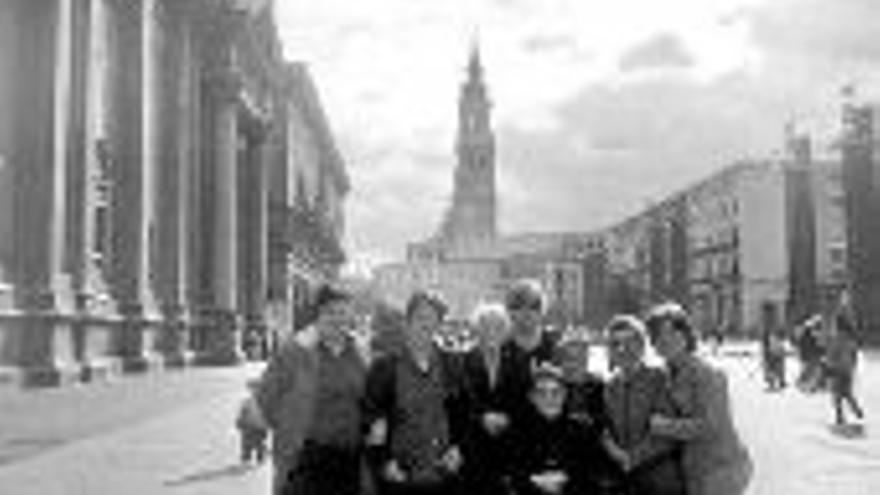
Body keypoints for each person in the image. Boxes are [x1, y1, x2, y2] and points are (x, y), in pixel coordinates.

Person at [254, 284, 368, 495]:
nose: (337, 319)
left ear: (350, 316)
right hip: (306, 456)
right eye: (330, 312)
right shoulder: (294, 351)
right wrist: (262, 434)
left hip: (349, 456)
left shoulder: (360, 353)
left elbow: (371, 399)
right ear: (318, 314)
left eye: (343, 312)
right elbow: (265, 397)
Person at [365, 291, 466, 495]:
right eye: (420, 317)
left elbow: (463, 412)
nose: (426, 324)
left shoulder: (452, 364)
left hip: (443, 473)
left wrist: (458, 448)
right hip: (401, 475)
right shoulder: (384, 367)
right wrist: (383, 462)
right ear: (407, 321)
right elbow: (372, 417)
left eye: (433, 318)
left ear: (439, 324)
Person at [645, 303, 752, 495]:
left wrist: (664, 426)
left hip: (720, 470)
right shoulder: (666, 374)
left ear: (686, 334)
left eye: (671, 333)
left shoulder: (707, 374)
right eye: (657, 336)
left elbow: (710, 426)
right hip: (693, 471)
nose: (664, 341)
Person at [603, 315, 685, 495]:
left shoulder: (659, 379)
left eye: (630, 341)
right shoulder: (609, 387)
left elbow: (667, 433)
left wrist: (633, 458)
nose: (622, 349)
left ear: (642, 346)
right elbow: (605, 428)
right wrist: (613, 449)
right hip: (625, 477)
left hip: (660, 478)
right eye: (614, 344)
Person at [509, 361, 603, 495]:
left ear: (565, 394)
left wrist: (567, 480)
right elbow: (512, 473)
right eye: (542, 393)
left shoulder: (582, 429)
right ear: (532, 397)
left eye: (555, 392)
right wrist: (534, 480)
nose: (549, 399)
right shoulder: (517, 432)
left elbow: (592, 472)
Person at [457, 303, 515, 495]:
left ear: (505, 331)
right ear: (477, 330)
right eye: (486, 326)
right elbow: (459, 403)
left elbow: (522, 400)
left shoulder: (517, 361)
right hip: (472, 448)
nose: (492, 332)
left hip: (506, 447)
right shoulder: (462, 360)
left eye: (498, 327)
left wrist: (508, 418)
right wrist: (482, 418)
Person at [556, 329, 619, 492]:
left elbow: (606, 427)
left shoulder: (599, 385)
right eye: (568, 358)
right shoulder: (552, 386)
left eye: (579, 358)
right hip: (560, 467)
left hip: (592, 468)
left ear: (586, 359)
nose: (573, 363)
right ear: (560, 359)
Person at [826, 311, 865, 427]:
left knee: (836, 395)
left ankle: (840, 417)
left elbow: (832, 355)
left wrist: (828, 365)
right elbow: (854, 355)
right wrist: (853, 367)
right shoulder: (850, 340)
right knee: (847, 393)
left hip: (837, 370)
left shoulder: (836, 340)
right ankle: (857, 410)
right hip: (847, 370)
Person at [236, 378, 269, 464]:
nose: (254, 391)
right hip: (248, 425)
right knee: (246, 442)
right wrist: (240, 420)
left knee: (259, 442)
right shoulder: (247, 401)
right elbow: (243, 412)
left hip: (260, 426)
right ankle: (246, 458)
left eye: (256, 389)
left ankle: (261, 457)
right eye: (252, 389)